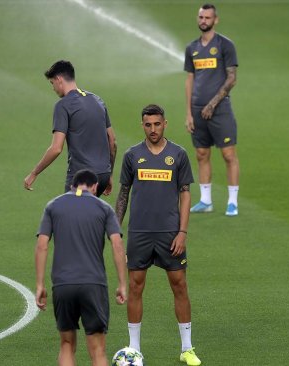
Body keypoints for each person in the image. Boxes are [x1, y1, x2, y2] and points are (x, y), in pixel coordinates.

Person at [116, 104, 201, 365]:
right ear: (142, 125)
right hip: (139, 234)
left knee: (180, 286)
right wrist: (114, 230)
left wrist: (182, 232)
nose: (153, 129)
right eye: (148, 124)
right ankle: (134, 349)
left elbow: (185, 193)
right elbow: (123, 194)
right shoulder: (132, 156)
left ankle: (187, 349)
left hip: (169, 235)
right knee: (135, 287)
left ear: (165, 124)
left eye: (157, 124)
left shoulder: (178, 155)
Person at [35, 169, 128, 366]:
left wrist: (40, 285)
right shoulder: (103, 207)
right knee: (98, 350)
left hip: (62, 285)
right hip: (93, 284)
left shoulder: (53, 206)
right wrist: (122, 283)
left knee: (67, 344)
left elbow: (42, 245)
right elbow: (117, 244)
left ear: (72, 186)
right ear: (94, 187)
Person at [24, 60, 117, 197]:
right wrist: (108, 173)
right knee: (88, 215)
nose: (53, 88)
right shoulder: (98, 100)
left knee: (71, 216)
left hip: (82, 179)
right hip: (102, 175)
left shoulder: (63, 105)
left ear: (58, 79)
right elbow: (112, 141)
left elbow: (56, 149)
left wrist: (34, 173)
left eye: (52, 83)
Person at [184, 3, 240, 216]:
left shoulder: (225, 45)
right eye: (201, 17)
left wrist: (212, 104)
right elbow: (189, 80)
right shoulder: (192, 48)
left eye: (207, 17)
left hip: (220, 109)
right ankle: (205, 200)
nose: (203, 21)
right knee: (201, 153)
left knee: (228, 154)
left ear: (215, 20)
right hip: (198, 110)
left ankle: (232, 202)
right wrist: (189, 112)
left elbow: (232, 78)